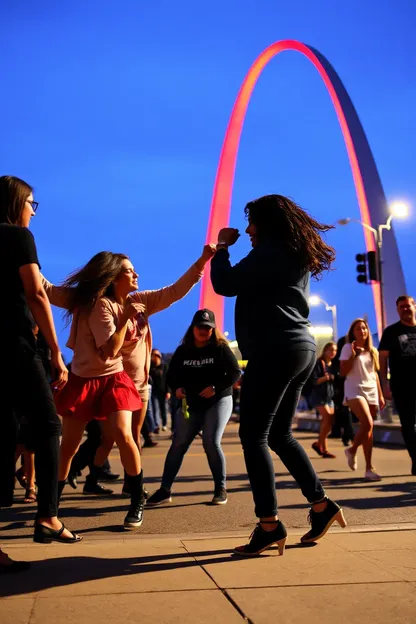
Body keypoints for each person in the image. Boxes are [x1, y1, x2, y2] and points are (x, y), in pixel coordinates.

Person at [210, 194, 345, 556]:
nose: (248, 230)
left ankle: (268, 524)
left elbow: (224, 283)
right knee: (280, 435)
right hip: (300, 348)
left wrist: (221, 247)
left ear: (267, 223)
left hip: (274, 349)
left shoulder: (269, 251)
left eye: (252, 222)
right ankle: (321, 505)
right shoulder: (292, 251)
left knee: (253, 436)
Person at [43, 245, 216, 496]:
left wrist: (203, 260)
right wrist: (24, 256)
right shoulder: (92, 302)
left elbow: (175, 291)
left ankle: (129, 487)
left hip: (138, 383)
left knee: (130, 437)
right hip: (105, 380)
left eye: (135, 270)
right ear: (113, 276)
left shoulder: (141, 301)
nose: (136, 275)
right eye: (130, 271)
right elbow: (48, 291)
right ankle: (92, 482)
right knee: (106, 438)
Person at [0, 175, 80, 573]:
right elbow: (36, 294)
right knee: (50, 425)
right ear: (17, 202)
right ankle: (48, 515)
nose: (33, 210)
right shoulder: (17, 238)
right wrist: (54, 350)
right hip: (14, 347)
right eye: (31, 202)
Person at [147, 309, 240, 506]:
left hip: (218, 400)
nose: (203, 330)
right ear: (193, 327)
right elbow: (171, 376)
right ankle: (165, 489)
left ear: (213, 330)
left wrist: (215, 388)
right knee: (178, 443)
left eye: (208, 328)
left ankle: (220, 489)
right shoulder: (183, 350)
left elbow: (234, 373)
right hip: (192, 403)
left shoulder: (220, 348)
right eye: (200, 326)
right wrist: (177, 389)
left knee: (211, 441)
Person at [340, 318, 385, 481]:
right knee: (368, 423)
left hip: (371, 390)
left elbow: (375, 374)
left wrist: (380, 394)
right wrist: (353, 355)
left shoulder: (373, 350)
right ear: (353, 332)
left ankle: (369, 468)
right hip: (354, 389)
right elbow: (343, 372)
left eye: (364, 328)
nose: (362, 331)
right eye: (358, 329)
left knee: (368, 430)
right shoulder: (347, 348)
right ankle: (351, 450)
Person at [379, 295, 416, 475]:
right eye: (401, 307)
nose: (405, 309)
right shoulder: (391, 332)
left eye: (408, 306)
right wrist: (384, 384)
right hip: (401, 385)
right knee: (408, 425)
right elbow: (382, 359)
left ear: (414, 306)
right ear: (397, 309)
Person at [310, 341, 338, 458]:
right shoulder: (319, 363)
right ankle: (321, 445)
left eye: (335, 350)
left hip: (329, 396)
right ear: (325, 350)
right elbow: (314, 381)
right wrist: (326, 378)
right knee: (327, 417)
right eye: (330, 350)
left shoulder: (333, 364)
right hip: (319, 396)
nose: (333, 352)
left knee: (328, 422)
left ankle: (321, 446)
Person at [150, 349, 170, 432]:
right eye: (153, 355)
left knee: (164, 408)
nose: (155, 357)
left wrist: (168, 391)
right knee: (155, 408)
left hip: (163, 390)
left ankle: (164, 424)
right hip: (153, 391)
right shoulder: (150, 367)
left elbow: (168, 379)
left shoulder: (164, 366)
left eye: (157, 355)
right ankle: (157, 425)